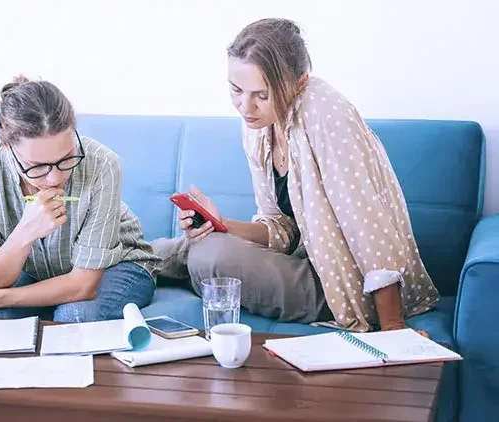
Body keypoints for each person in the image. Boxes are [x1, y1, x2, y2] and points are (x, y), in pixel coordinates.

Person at [152, 18, 438, 334]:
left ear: (300, 82)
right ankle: (125, 260)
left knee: (210, 254)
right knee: (183, 247)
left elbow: (368, 228)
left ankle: (135, 263)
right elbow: (282, 229)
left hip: (342, 285)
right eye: (236, 90)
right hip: (302, 260)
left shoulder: (325, 114)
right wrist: (221, 224)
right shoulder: (259, 127)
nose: (245, 106)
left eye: (262, 94)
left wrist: (394, 327)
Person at [0, 75, 160, 323]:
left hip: (118, 265)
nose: (55, 178)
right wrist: (25, 233)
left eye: (66, 158)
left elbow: (83, 286)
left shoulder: (103, 163)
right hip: (35, 273)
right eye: (37, 166)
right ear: (6, 146)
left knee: (74, 315)